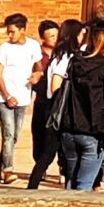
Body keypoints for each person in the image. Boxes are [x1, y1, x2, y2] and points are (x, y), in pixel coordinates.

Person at [54, 21, 104, 191]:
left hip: (69, 127)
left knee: (71, 181)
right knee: (84, 185)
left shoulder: (75, 62)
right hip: (93, 130)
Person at [0, 13, 42, 185]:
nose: (10, 35)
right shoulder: (4, 48)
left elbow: (38, 66)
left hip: (23, 97)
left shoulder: (33, 46)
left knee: (14, 136)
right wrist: (7, 95)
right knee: (8, 134)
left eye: (13, 32)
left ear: (23, 30)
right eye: (8, 32)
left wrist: (37, 75)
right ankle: (8, 170)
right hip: (5, 98)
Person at [26, 20, 71, 189]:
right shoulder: (38, 56)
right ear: (43, 39)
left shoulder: (63, 54)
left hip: (57, 104)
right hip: (42, 103)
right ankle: (39, 169)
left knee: (58, 140)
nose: (54, 38)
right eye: (50, 36)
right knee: (40, 138)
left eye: (56, 34)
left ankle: (61, 170)